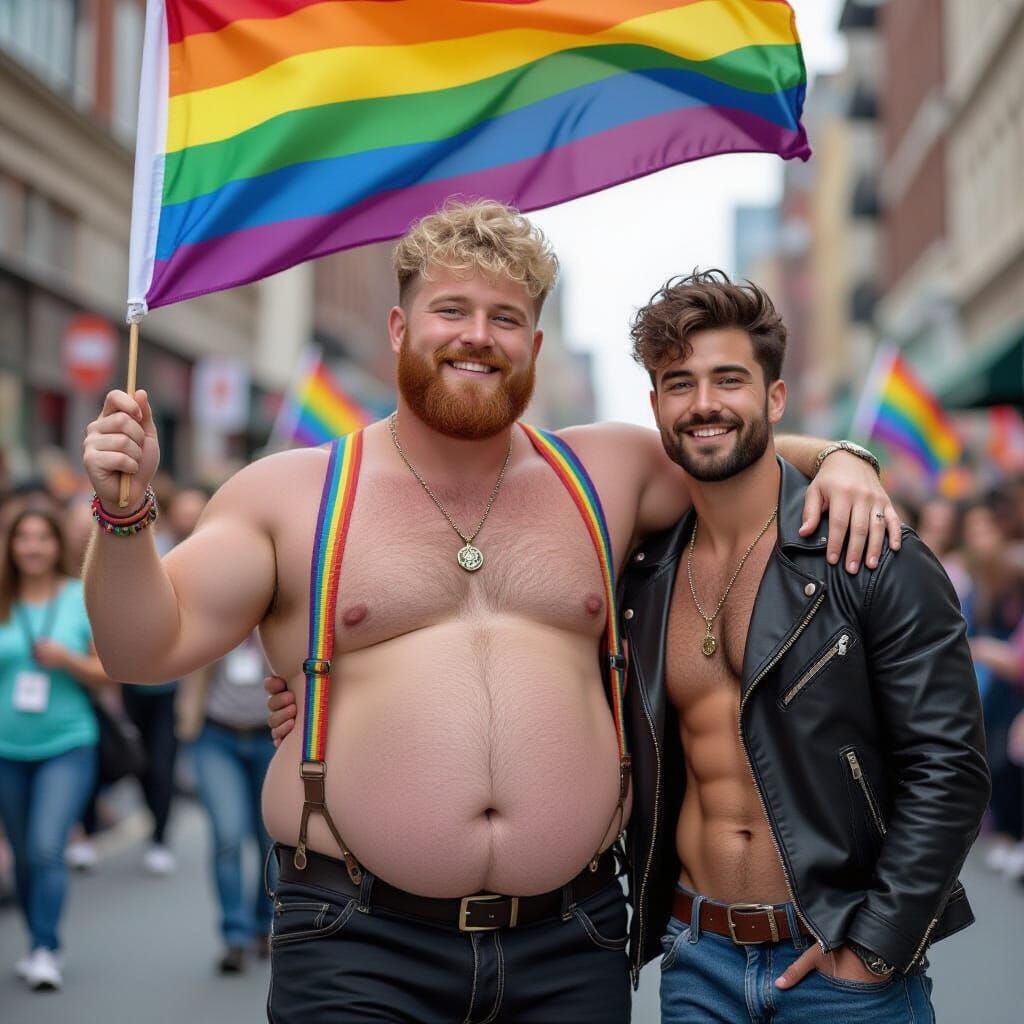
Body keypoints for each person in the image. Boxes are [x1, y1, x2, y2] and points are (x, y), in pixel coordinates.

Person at [84, 200, 897, 1022]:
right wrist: (123, 512)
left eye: (505, 318)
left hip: (570, 938)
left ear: (534, 346)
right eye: (452, 310)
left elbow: (729, 445)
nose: (478, 336)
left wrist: (842, 458)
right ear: (400, 328)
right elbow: (141, 648)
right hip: (356, 941)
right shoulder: (290, 493)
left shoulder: (606, 472)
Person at [619, 271, 990, 1022]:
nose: (704, 403)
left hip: (840, 963)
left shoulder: (870, 552)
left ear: (775, 397)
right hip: (698, 959)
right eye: (679, 384)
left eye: (730, 379)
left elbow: (949, 765)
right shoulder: (644, 572)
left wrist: (876, 948)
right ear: (656, 406)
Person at [0, 508, 111, 991]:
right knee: (24, 855)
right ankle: (36, 940)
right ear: (10, 546)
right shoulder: (3, 600)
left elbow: (108, 671)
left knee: (47, 846)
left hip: (67, 743)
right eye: (23, 537)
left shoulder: (77, 597)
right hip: (6, 749)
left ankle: (45, 947)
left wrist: (67, 660)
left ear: (56, 544)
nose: (32, 546)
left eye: (42, 537)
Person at [179, 632, 277, 973]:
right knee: (228, 834)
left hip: (272, 739)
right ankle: (235, 935)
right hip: (215, 737)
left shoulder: (279, 617)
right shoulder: (219, 616)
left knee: (270, 840)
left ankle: (266, 924)